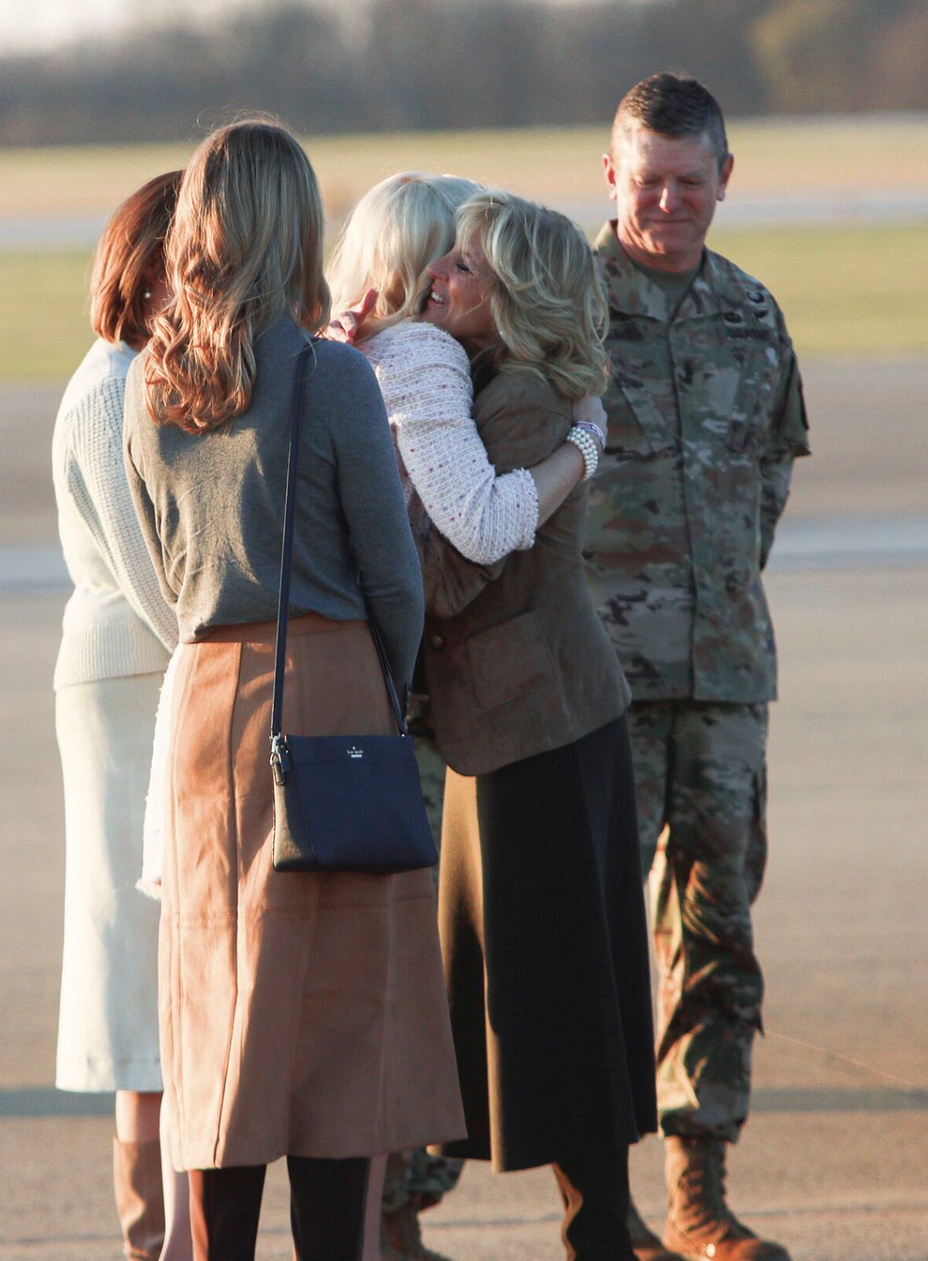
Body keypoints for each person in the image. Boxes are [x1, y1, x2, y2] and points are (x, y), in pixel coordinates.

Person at [123, 118, 465, 1261]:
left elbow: (169, 565)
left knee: (221, 1018)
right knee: (338, 1026)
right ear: (294, 224)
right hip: (322, 690)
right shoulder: (328, 377)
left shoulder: (149, 389)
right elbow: (391, 576)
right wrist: (386, 687)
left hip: (201, 704)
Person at [327, 171, 601, 1261]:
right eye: (445, 256)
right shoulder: (431, 360)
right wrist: (581, 453)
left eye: (468, 265)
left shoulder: (342, 350)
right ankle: (394, 1210)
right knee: (438, 973)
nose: (448, 278)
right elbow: (481, 533)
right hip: (423, 704)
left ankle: (384, 1210)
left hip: (361, 696)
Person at [586, 74, 810, 1261]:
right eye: (647, 180)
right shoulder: (554, 307)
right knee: (587, 948)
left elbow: (765, 485)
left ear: (725, 179)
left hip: (723, 682)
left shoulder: (753, 315)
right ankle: (589, 1201)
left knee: (716, 938)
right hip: (590, 689)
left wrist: (701, 598)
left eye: (691, 181)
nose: (668, 203)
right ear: (609, 177)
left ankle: (697, 1195)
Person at [415, 189, 658, 1260]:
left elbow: (450, 577)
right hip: (527, 723)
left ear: (511, 298)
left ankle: (596, 1228)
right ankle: (590, 1222)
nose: (439, 278)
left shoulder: (516, 402)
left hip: (535, 730)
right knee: (541, 984)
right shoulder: (496, 385)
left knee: (549, 990)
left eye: (464, 269)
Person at [52, 169, 192, 1261]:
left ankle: (166, 1234)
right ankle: (153, 1239)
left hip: (139, 674)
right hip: (136, 679)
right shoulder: (112, 389)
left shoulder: (140, 373)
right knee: (140, 983)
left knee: (159, 979)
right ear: (142, 268)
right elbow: (155, 575)